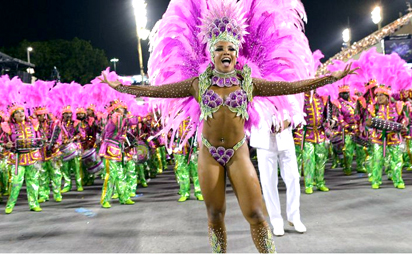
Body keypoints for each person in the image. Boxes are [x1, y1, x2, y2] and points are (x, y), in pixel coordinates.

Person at [99, 0, 355, 252]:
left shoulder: (249, 83)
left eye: (231, 48)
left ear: (237, 52)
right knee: (215, 213)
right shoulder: (197, 84)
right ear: (211, 52)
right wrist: (120, 86)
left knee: (256, 213)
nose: (226, 53)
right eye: (220, 48)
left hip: (238, 153)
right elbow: (156, 91)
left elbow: (291, 87)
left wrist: (328, 78)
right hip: (209, 153)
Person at [250, 95, 306, 236]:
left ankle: (295, 217)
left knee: (293, 178)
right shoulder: (256, 91)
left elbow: (298, 112)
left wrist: (287, 122)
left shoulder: (285, 88)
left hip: (285, 139)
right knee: (269, 183)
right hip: (265, 142)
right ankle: (276, 221)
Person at [2, 104, 42, 213]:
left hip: (32, 156)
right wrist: (6, 145)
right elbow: (3, 141)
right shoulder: (8, 127)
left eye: (22, 112)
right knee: (16, 182)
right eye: (17, 112)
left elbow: (39, 136)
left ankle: (34, 204)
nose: (21, 114)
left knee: (33, 182)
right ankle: (10, 205)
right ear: (13, 116)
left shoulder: (32, 124)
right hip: (17, 158)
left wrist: (39, 142)